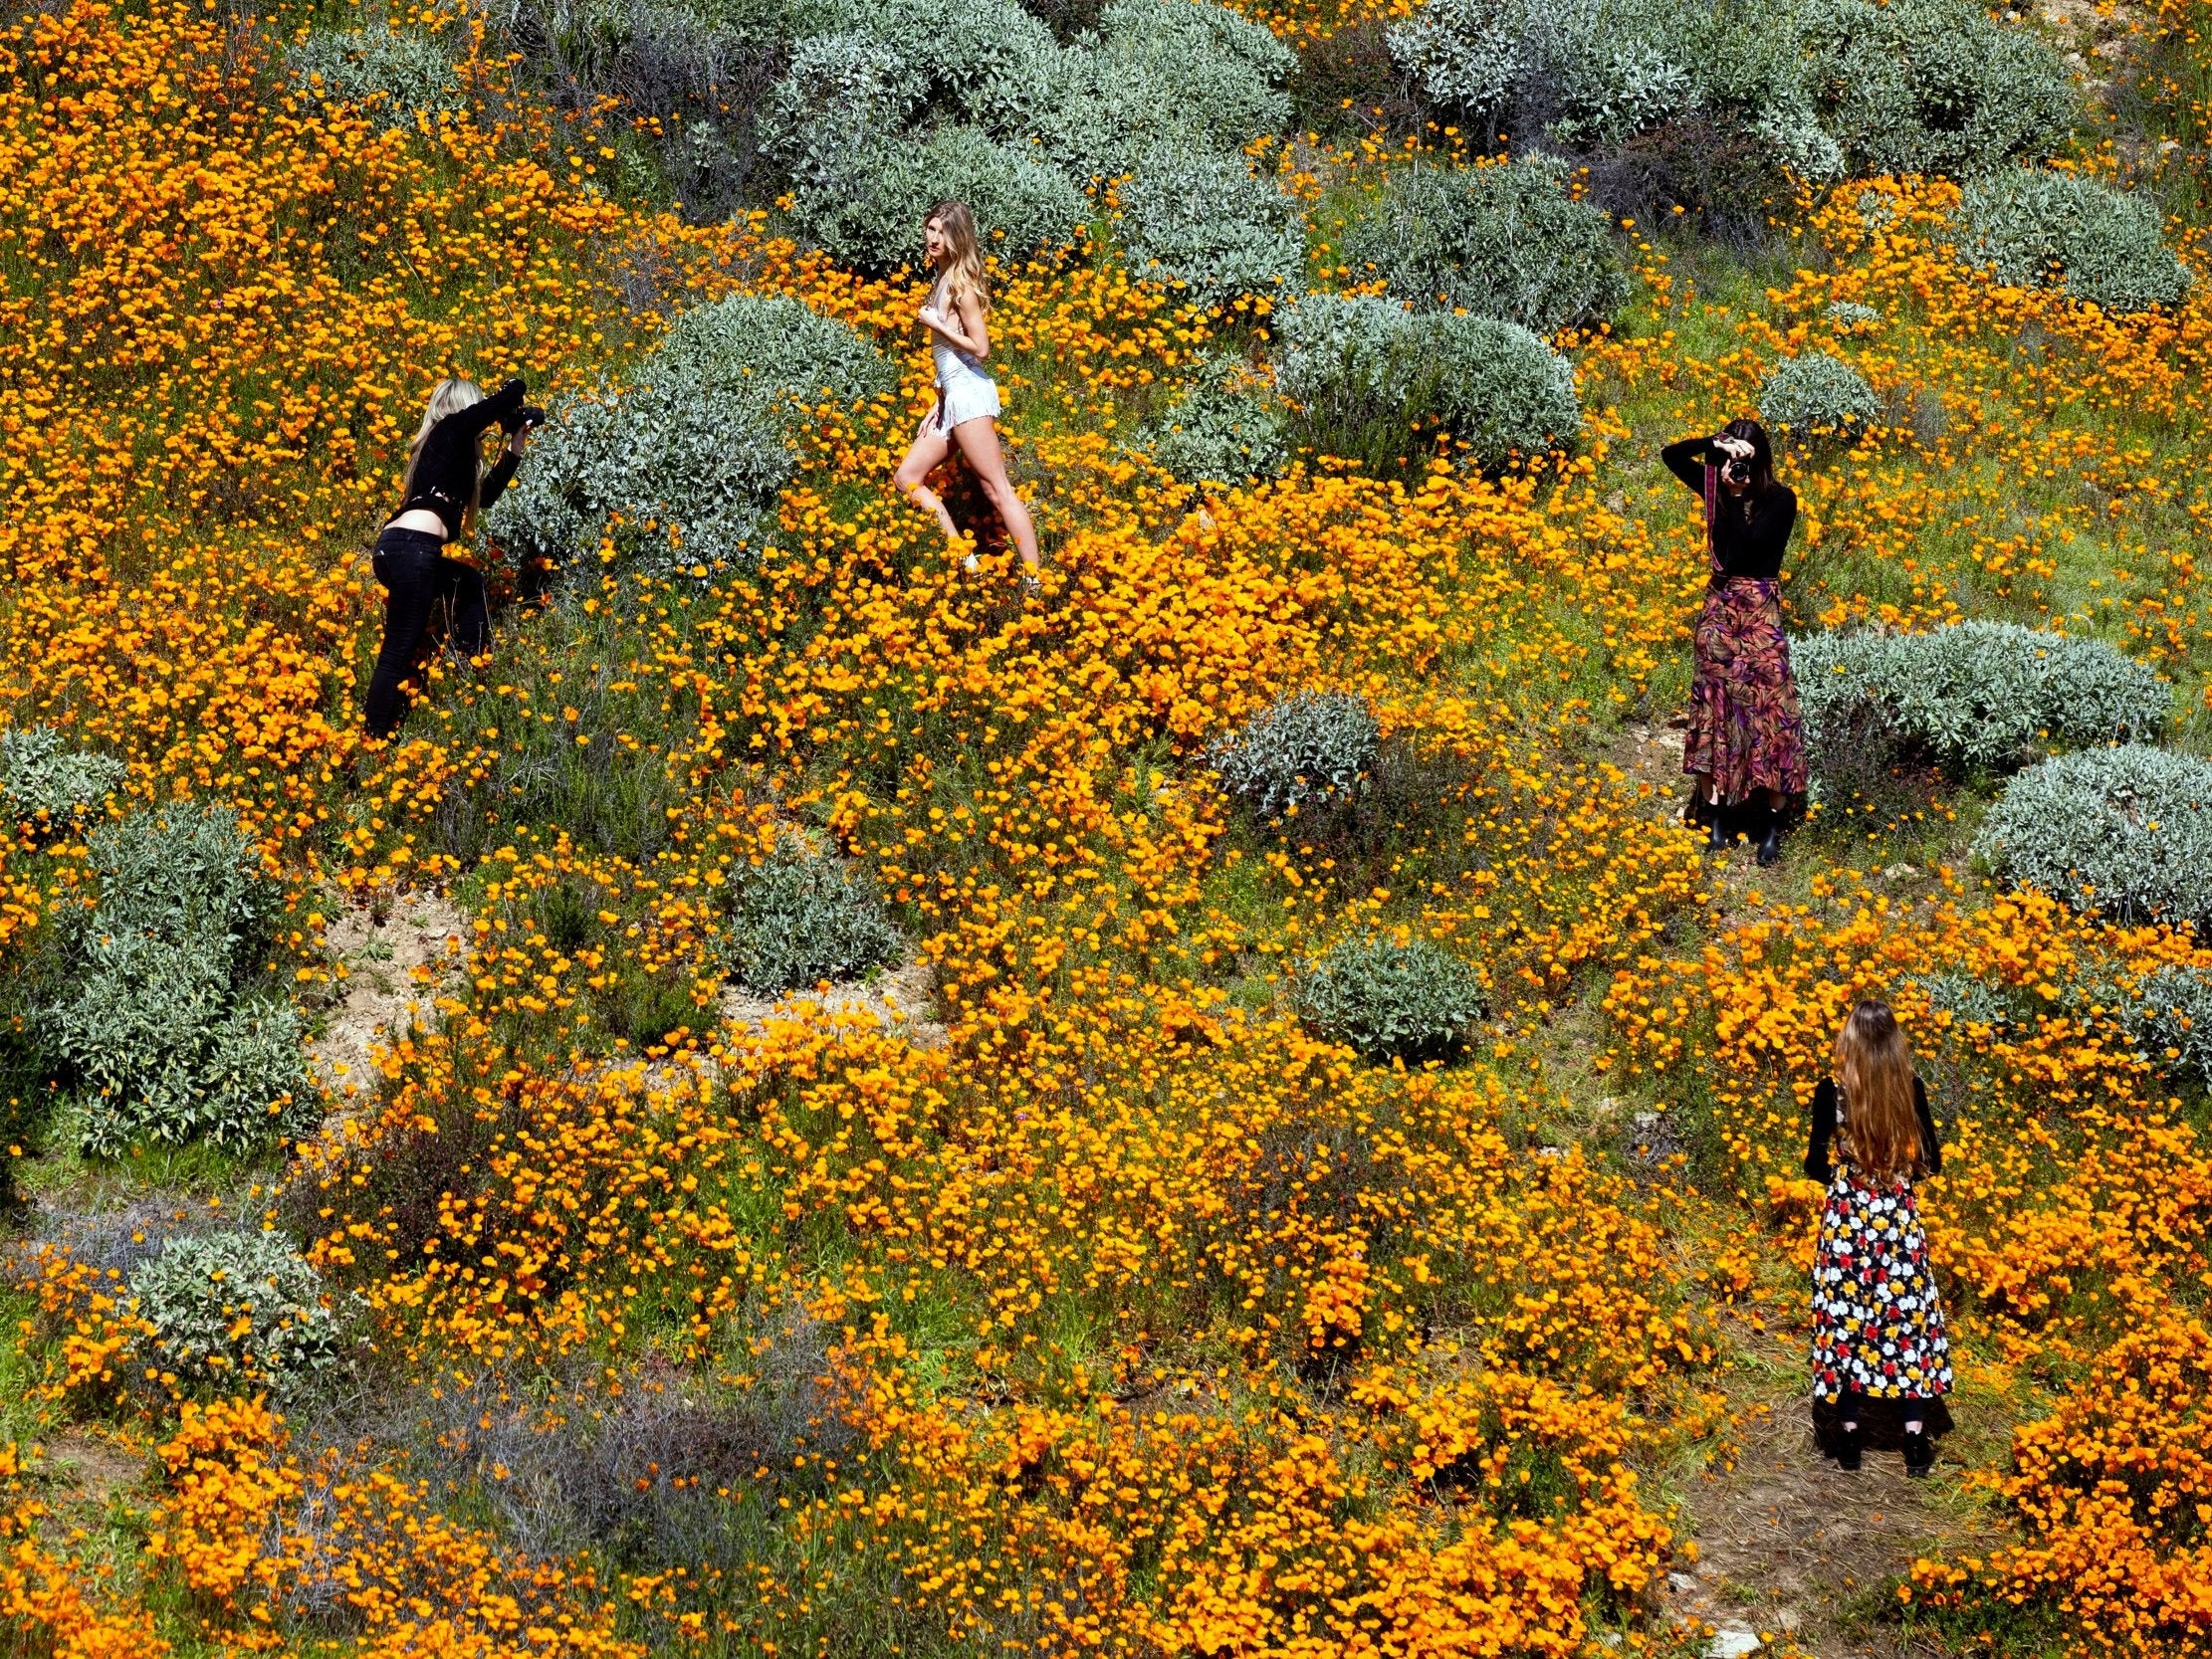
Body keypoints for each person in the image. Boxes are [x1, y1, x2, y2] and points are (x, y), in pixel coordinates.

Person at [1804, 1000, 1953, 1478]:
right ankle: (1914, 1441)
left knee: (1847, 1317)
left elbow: (1812, 1164)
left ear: (1849, 1042)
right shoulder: (1909, 1088)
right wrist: (1896, 1178)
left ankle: (1849, 1438)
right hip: (1897, 1220)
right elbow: (1932, 1162)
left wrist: (1845, 1181)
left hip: (1848, 1220)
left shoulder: (1833, 1091)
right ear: (1893, 1045)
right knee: (1904, 1321)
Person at [1660, 420, 1808, 866]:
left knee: (1772, 714)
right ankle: (1718, 816)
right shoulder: (1717, 489)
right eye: (1727, 461)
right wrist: (1714, 446)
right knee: (1714, 708)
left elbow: (1748, 549)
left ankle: (1770, 823)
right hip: (1720, 613)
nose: (1733, 468)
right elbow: (1671, 454)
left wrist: (1737, 497)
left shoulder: (1781, 500)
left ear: (1759, 459)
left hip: (1760, 612)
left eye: (1742, 459)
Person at [364, 375, 541, 738]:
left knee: (469, 582)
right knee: (398, 649)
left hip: (398, 549)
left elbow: (486, 496)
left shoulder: (446, 453)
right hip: (413, 550)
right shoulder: (449, 428)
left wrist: (515, 445)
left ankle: (470, 666)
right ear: (462, 406)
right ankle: (373, 738)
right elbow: (483, 413)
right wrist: (514, 388)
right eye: (475, 407)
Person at [890, 200, 1041, 590]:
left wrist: (935, 322)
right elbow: (948, 361)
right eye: (931, 229)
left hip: (970, 397)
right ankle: (966, 560)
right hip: (952, 399)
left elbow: (981, 348)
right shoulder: (941, 278)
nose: (933, 238)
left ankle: (1034, 579)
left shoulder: (961, 286)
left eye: (942, 231)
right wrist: (938, 403)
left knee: (997, 489)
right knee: (907, 477)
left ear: (958, 238)